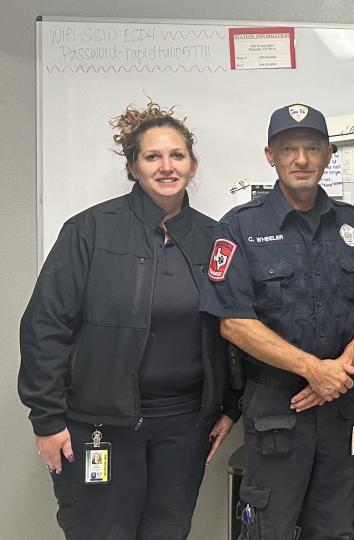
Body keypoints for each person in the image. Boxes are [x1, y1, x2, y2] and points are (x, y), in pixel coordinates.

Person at [18, 101, 238, 539]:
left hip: (184, 427)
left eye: (177, 155)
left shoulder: (216, 238)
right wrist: (47, 420)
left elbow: (232, 327)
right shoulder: (89, 230)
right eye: (152, 156)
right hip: (100, 426)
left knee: (168, 531)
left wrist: (231, 405)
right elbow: (46, 326)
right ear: (134, 167)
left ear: (193, 165)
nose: (166, 166)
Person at [200, 103, 354, 539]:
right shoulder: (239, 226)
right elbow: (233, 323)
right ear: (270, 155)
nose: (301, 159)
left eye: (312, 148)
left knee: (337, 527)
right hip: (278, 407)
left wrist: (338, 370)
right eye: (289, 149)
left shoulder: (351, 222)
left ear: (328, 154)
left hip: (341, 404)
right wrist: (312, 371)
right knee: (269, 528)